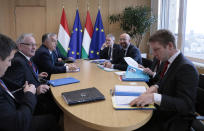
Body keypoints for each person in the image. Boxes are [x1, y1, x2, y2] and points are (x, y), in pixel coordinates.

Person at [130, 29, 199, 131]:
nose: (154, 54)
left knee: (134, 125)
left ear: (170, 46)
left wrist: (154, 97)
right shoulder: (165, 61)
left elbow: (186, 105)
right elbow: (162, 81)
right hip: (162, 110)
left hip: (175, 118)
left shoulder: (186, 68)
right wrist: (155, 87)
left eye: (156, 49)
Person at [0, 33, 59, 131]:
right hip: (22, 109)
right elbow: (14, 90)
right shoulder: (18, 61)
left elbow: (19, 81)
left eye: (35, 45)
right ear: (20, 46)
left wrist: (37, 76)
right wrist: (33, 92)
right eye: (31, 45)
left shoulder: (26, 58)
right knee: (53, 111)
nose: (34, 47)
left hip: (20, 106)